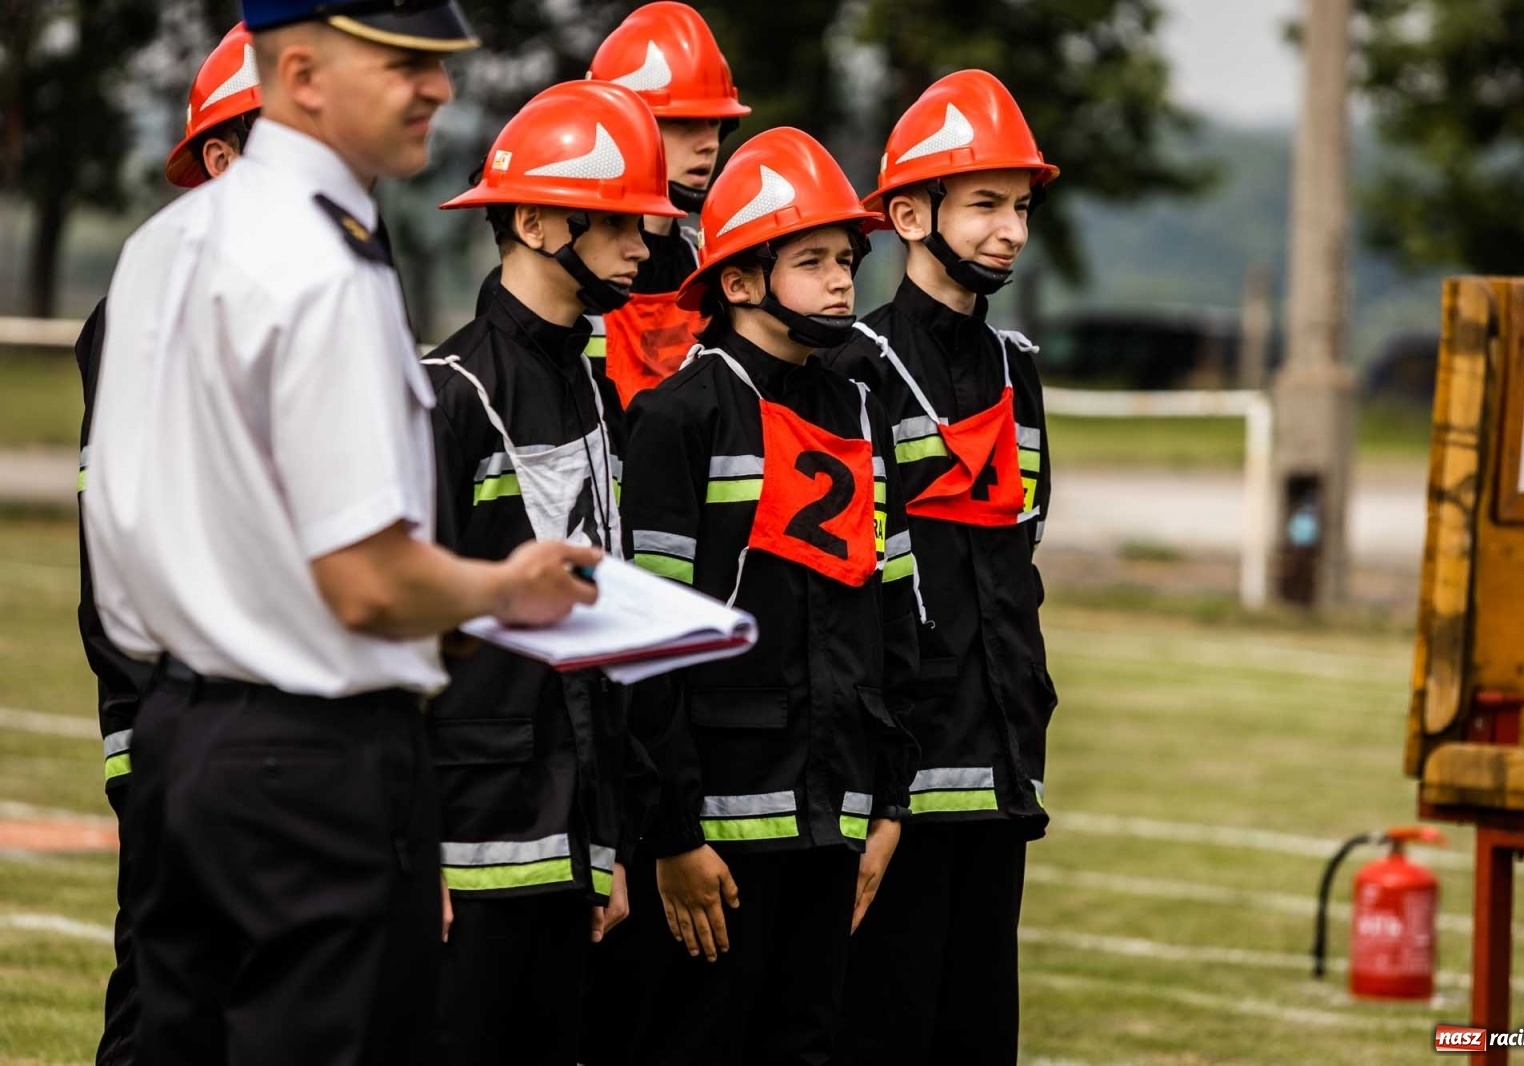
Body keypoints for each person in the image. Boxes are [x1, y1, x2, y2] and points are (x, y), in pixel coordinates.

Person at [80, 2, 601, 1061]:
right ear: (305, 73)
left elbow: (123, 543)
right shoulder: (324, 266)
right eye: (405, 62)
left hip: (182, 740)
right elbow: (366, 581)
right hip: (313, 762)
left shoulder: (163, 243)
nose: (439, 89)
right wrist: (506, 590)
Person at [619, 126, 919, 1066]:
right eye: (812, 260)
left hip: (835, 816)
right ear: (740, 282)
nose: (841, 281)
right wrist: (672, 834)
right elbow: (647, 645)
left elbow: (891, 622)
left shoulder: (863, 407)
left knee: (807, 1043)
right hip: (715, 831)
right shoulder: (679, 414)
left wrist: (887, 804)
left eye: (847, 260)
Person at [423, 79, 680, 1066]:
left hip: (568, 846)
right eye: (618, 221)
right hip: (468, 846)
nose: (642, 245)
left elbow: (592, 638)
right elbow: (394, 638)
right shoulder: (449, 394)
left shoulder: (591, 382)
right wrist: (413, 850)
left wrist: (601, 845)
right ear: (532, 218)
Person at [818, 69, 1060, 1066]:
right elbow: (844, 602)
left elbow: (1020, 553)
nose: (1010, 229)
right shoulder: (848, 367)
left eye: (1021, 206)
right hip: (894, 784)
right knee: (881, 1034)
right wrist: (873, 788)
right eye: (986, 204)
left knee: (977, 1038)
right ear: (910, 212)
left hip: (1001, 768)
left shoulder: (1018, 367)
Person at [74, 22, 260, 1065]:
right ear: (224, 157)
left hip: (279, 732)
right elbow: (125, 542)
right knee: (167, 1011)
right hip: (180, 727)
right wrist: (146, 740)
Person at [584, 1, 750, 406]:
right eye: (683, 123)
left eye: (716, 124)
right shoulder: (557, 277)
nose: (709, 143)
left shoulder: (712, 272)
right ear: (619, 124)